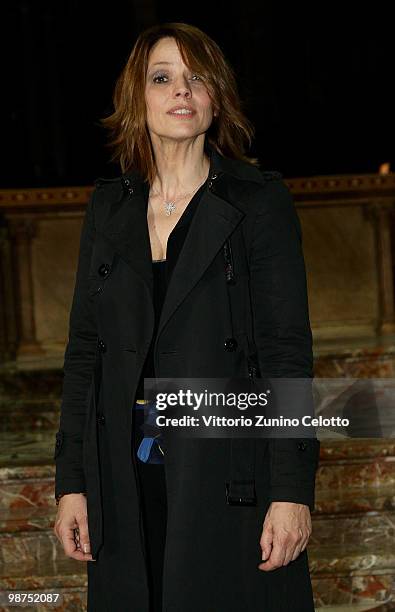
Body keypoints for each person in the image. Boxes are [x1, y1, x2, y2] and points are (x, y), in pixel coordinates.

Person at [53, 22, 320, 612]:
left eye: (196, 78)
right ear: (137, 98)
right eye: (163, 78)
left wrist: (291, 492)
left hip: (227, 476)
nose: (181, 91)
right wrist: (72, 483)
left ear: (216, 97)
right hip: (124, 481)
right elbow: (83, 354)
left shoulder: (257, 203)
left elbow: (285, 356)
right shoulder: (108, 207)